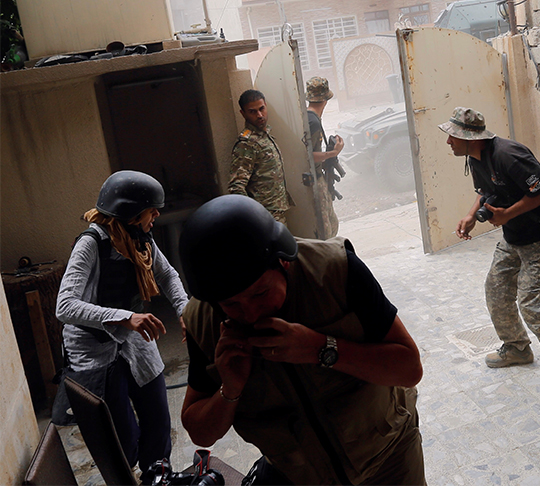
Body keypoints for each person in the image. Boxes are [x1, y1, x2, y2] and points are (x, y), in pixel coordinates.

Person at [178, 195, 425, 485]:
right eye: (231, 304)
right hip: (300, 477)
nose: (250, 312)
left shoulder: (336, 270)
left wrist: (320, 348)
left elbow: (409, 369)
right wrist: (229, 389)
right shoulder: (202, 322)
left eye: (260, 293)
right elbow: (200, 432)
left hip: (389, 458)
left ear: (284, 263)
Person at [440, 107, 540, 402]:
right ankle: (516, 347)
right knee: (497, 290)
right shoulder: (474, 158)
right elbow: (485, 190)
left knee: (533, 305)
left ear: (470, 137)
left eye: (452, 136)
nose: (448, 142)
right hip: (515, 236)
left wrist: (506, 215)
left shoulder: (508, 154)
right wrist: (471, 215)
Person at [55, 170, 188, 470]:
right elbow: (64, 306)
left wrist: (185, 310)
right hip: (94, 347)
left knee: (157, 421)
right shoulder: (92, 243)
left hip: (132, 339)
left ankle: (158, 473)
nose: (156, 214)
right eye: (150, 209)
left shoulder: (141, 239)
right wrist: (125, 317)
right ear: (130, 212)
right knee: (120, 440)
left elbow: (166, 274)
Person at [228, 89, 293, 224]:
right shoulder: (247, 144)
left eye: (261, 109)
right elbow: (236, 187)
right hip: (264, 217)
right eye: (252, 111)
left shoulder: (264, 136)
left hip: (277, 213)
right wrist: (254, 217)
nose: (259, 115)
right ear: (243, 113)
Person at [306, 76, 341, 238]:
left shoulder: (311, 118)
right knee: (327, 229)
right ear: (326, 100)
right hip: (315, 180)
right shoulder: (312, 121)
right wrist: (333, 153)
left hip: (317, 178)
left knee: (331, 224)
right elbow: (308, 156)